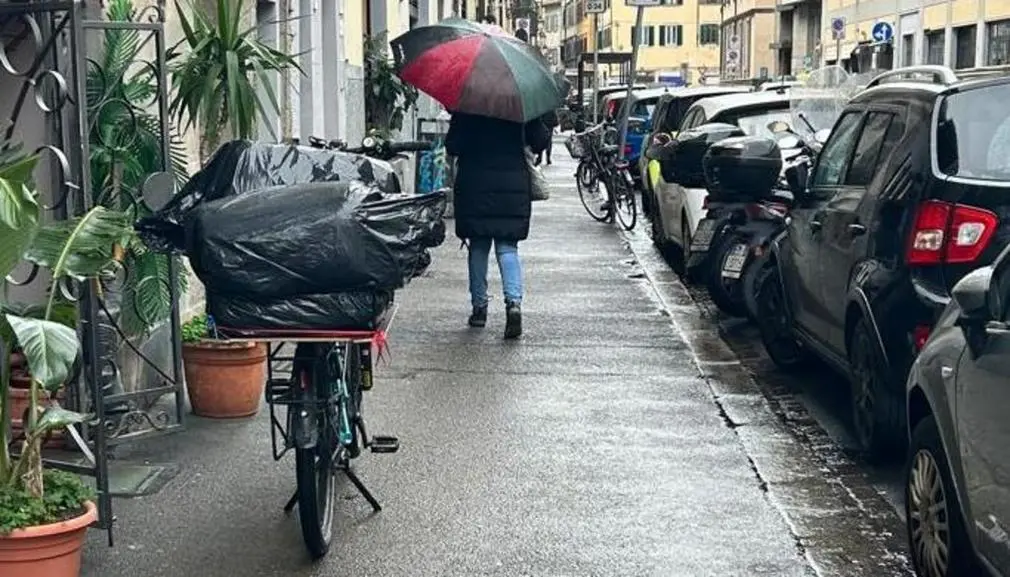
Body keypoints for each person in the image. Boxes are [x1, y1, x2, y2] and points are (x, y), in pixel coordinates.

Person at [445, 112, 552, 339]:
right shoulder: (519, 105)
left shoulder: (468, 106)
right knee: (507, 247)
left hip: (475, 183)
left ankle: (479, 308)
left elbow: (453, 145)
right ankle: (513, 303)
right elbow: (540, 140)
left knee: (478, 247)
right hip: (512, 184)